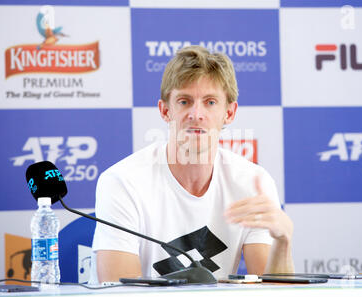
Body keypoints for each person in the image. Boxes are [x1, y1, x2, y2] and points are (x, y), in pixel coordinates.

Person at [89, 46, 294, 284]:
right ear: (165, 110)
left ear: (229, 113)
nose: (196, 114)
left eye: (210, 102)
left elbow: (273, 294)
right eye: (185, 101)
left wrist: (283, 240)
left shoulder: (253, 182)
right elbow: (120, 296)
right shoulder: (122, 182)